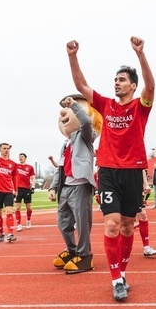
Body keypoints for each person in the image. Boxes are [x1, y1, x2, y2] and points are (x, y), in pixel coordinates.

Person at [66, 36, 155, 301]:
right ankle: (116, 278)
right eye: (115, 79)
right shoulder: (106, 105)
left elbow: (151, 85)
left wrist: (140, 54)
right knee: (112, 225)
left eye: (122, 79)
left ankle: (123, 273)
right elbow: (81, 85)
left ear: (133, 85)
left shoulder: (141, 106)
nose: (117, 82)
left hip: (132, 171)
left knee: (128, 227)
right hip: (108, 171)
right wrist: (72, 56)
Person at [49, 95, 101, 273]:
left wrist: (75, 106)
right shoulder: (65, 144)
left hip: (80, 185)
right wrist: (53, 187)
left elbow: (86, 122)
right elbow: (61, 167)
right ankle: (72, 250)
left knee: (82, 222)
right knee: (63, 222)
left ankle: (85, 255)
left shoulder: (86, 136)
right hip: (66, 186)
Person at [134, 169, 156, 256]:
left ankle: (146, 247)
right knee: (124, 221)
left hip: (134, 185)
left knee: (143, 215)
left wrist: (146, 184)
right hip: (119, 183)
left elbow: (141, 167)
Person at [14, 153, 36, 231]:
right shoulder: (16, 166)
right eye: (19, 157)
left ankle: (28, 220)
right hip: (18, 189)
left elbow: (33, 177)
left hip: (26, 189)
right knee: (17, 207)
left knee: (29, 207)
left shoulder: (30, 167)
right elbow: (8, 161)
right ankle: (19, 224)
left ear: (25, 158)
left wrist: (33, 187)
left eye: (22, 157)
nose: (20, 158)